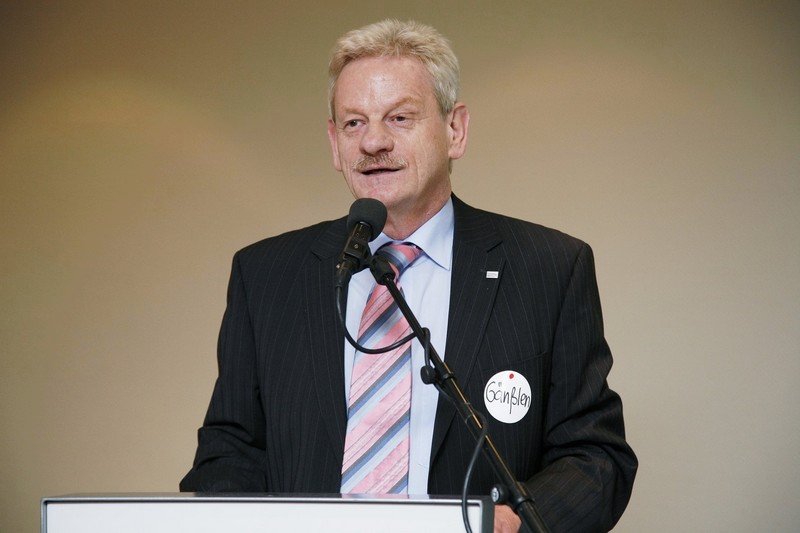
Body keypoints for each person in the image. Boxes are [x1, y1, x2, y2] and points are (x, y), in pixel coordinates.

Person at [181, 19, 637, 532]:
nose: (373, 141)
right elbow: (230, 452)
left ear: (455, 130)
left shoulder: (548, 268)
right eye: (354, 123)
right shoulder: (266, 275)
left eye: (399, 118)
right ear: (334, 143)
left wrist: (516, 525)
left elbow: (596, 457)